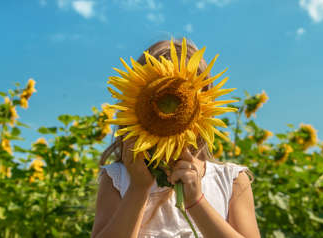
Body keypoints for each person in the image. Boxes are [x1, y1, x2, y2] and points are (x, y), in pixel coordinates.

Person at [91, 39, 261, 238]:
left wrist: (196, 201)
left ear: (205, 105)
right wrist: (138, 189)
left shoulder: (231, 180)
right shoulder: (118, 178)